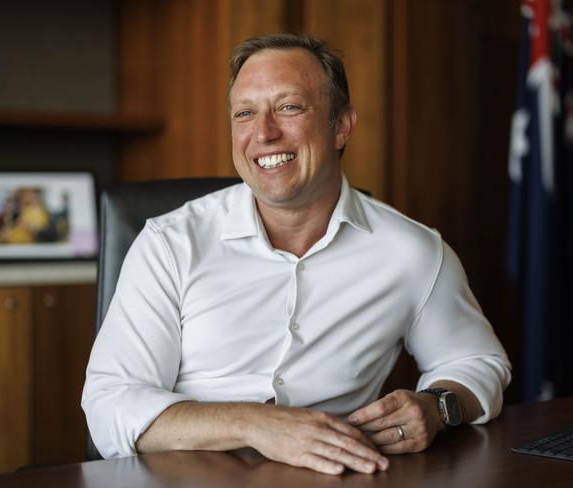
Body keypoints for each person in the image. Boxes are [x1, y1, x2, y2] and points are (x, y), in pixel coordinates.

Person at [82, 33, 511, 476]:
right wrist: (254, 424)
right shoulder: (168, 244)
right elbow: (111, 403)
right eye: (245, 113)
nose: (264, 133)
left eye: (289, 107)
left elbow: (478, 363)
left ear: (341, 125)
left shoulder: (412, 251)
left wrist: (436, 407)